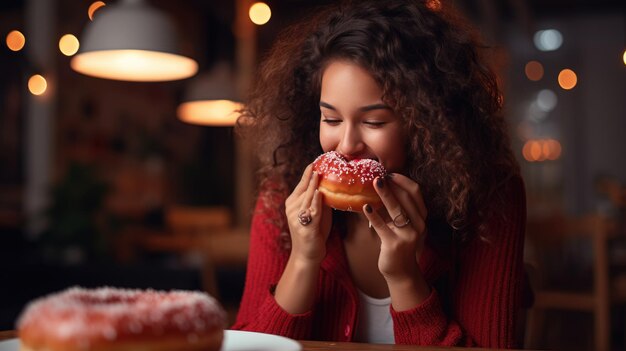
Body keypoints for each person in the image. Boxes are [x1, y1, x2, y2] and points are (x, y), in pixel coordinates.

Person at [232, 0, 528, 348]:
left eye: (373, 122)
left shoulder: (491, 199)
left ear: (428, 123)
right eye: (331, 119)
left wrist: (405, 276)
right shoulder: (282, 197)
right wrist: (303, 259)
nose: (345, 144)